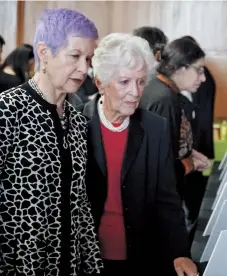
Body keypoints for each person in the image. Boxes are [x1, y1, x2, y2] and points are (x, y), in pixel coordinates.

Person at [83, 33, 198, 276]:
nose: (135, 92)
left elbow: (167, 198)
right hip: (87, 258)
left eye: (141, 82)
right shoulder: (79, 124)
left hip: (141, 257)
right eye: (124, 82)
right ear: (101, 83)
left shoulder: (155, 128)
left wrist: (180, 251)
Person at [0, 8, 102, 275]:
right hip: (18, 265)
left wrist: (91, 264)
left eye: (89, 59)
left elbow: (80, 205)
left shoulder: (77, 121)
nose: (84, 69)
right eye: (75, 56)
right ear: (45, 53)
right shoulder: (8, 110)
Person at [140, 38, 211, 198]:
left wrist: (189, 152)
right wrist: (191, 163)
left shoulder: (160, 88)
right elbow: (162, 165)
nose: (203, 78)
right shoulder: (165, 99)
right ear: (180, 68)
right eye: (199, 70)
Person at [179, 35, 216, 242]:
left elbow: (203, 116)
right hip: (191, 150)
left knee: (192, 202)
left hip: (195, 146)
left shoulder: (204, 78)